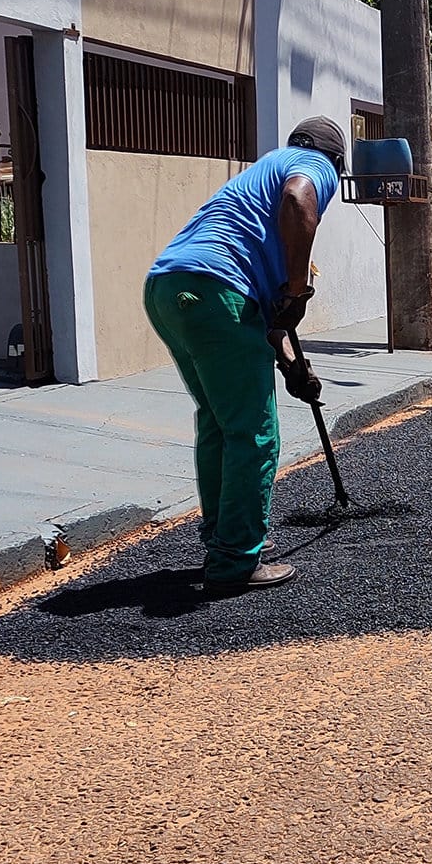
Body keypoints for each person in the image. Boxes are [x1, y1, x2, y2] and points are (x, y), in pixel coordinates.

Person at [144, 116, 348, 593]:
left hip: (169, 289)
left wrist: (294, 367)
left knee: (218, 420)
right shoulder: (312, 166)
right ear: (335, 161)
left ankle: (223, 535)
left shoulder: (260, 176)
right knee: (254, 432)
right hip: (217, 292)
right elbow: (300, 199)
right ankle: (236, 559)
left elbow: (259, 320)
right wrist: (299, 289)